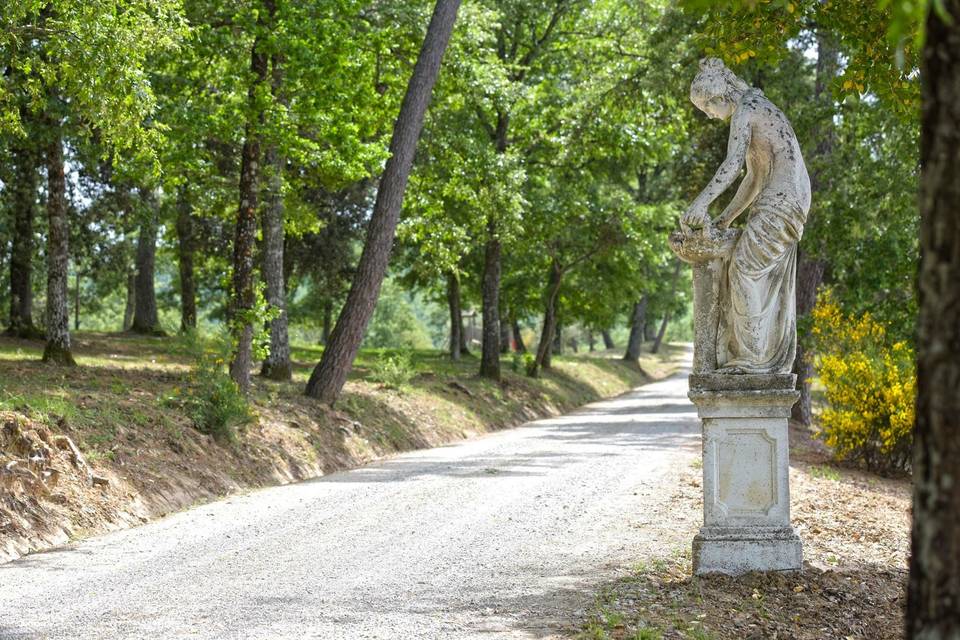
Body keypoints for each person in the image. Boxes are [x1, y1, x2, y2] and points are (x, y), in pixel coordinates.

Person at [681, 58, 811, 374]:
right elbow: (752, 178)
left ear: (719, 97)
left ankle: (754, 360)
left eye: (708, 109)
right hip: (789, 201)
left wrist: (699, 205)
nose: (711, 115)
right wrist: (724, 218)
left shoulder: (746, 111)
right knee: (748, 271)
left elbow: (732, 166)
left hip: (780, 202)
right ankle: (759, 355)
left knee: (743, 270)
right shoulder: (759, 106)